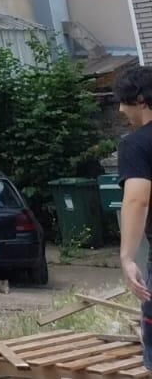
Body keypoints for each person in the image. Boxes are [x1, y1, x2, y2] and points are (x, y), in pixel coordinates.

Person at [115, 64, 152, 368]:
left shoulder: (136, 144)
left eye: (124, 101)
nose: (119, 109)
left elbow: (137, 200)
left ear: (141, 100)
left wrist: (128, 258)